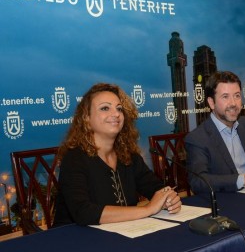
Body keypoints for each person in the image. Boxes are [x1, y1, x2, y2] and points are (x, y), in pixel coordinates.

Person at [53, 83, 181, 227]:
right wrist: (148, 209)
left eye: (119, 108)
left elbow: (156, 187)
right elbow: (84, 212)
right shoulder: (74, 159)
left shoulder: (128, 155)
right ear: (86, 119)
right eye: (105, 108)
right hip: (76, 241)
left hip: (125, 234)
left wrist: (168, 198)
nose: (116, 114)